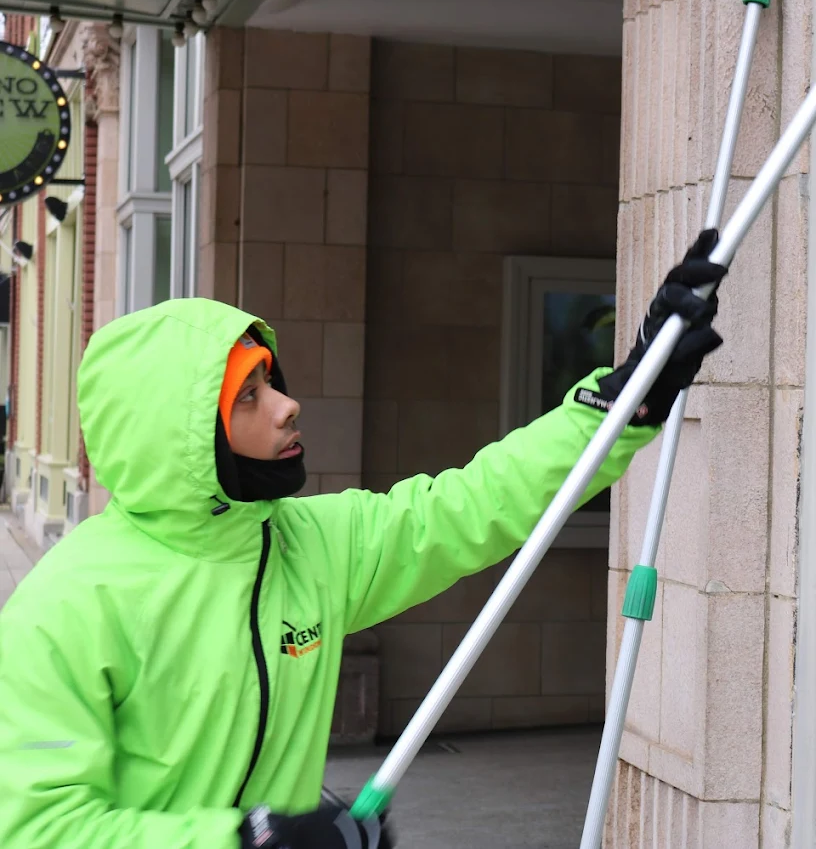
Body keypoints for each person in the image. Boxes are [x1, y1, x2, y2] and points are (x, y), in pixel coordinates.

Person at [0, 232, 727, 849]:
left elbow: (476, 502)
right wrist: (250, 837)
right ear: (177, 439)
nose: (288, 406)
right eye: (249, 395)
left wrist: (626, 396)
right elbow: (38, 826)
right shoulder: (66, 607)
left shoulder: (312, 544)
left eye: (272, 380)